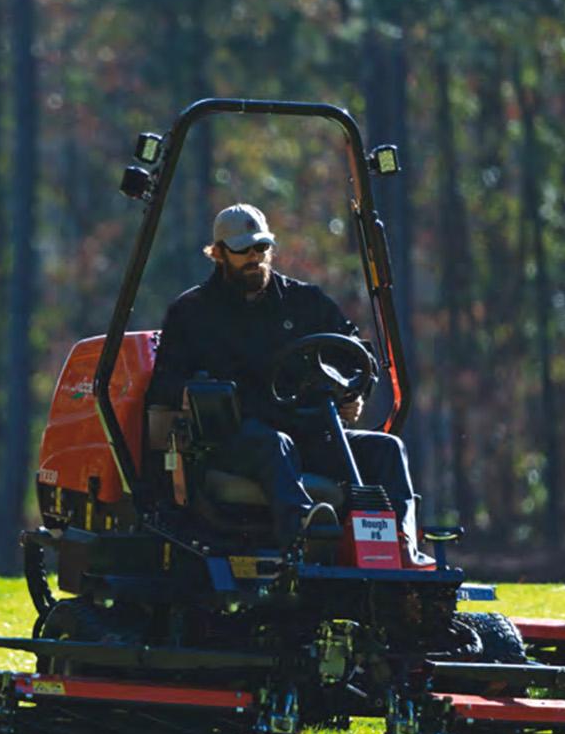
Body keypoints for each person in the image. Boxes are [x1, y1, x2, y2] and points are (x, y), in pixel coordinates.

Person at [147, 203, 418, 552]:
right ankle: (304, 537)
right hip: (233, 441)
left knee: (387, 448)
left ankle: (400, 546)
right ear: (218, 254)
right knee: (275, 444)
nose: (254, 257)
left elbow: (356, 355)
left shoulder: (304, 302)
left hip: (309, 430)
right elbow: (163, 387)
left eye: (261, 247)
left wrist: (354, 392)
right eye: (242, 250)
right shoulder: (193, 313)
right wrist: (190, 394)